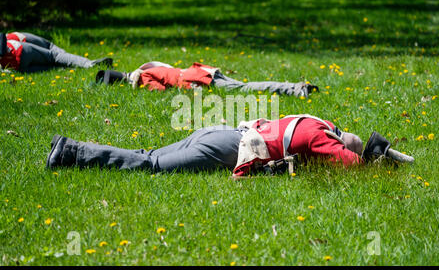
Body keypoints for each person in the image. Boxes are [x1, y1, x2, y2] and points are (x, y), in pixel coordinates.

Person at [46, 114, 369, 178]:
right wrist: (378, 160)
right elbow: (351, 163)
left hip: (218, 132)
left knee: (149, 155)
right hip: (225, 148)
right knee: (153, 167)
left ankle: (73, 150)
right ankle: (73, 152)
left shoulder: (315, 121)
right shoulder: (320, 138)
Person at [95, 61, 319, 98]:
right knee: (245, 88)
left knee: (246, 89)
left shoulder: (143, 77)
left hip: (201, 80)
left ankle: (296, 89)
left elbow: (161, 92)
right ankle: (295, 88)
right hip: (202, 74)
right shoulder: (147, 67)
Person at [0, 32, 113, 72]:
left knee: (52, 67)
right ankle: (88, 64)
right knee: (54, 54)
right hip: (17, 49)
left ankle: (72, 68)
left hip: (15, 67)